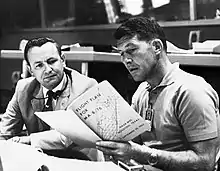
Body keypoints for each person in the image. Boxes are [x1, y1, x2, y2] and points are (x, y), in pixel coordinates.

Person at [96, 17, 220, 170]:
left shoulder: (191, 91)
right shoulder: (141, 91)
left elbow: (205, 162)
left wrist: (141, 154)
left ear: (156, 46)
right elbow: (132, 144)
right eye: (122, 54)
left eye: (131, 50)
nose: (126, 60)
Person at [0, 37, 102, 161]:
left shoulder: (87, 86)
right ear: (30, 70)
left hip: (80, 162)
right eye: (39, 65)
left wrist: (28, 140)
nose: (48, 70)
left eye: (52, 61)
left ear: (63, 60)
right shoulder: (23, 89)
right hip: (40, 162)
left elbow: (69, 138)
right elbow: (5, 132)